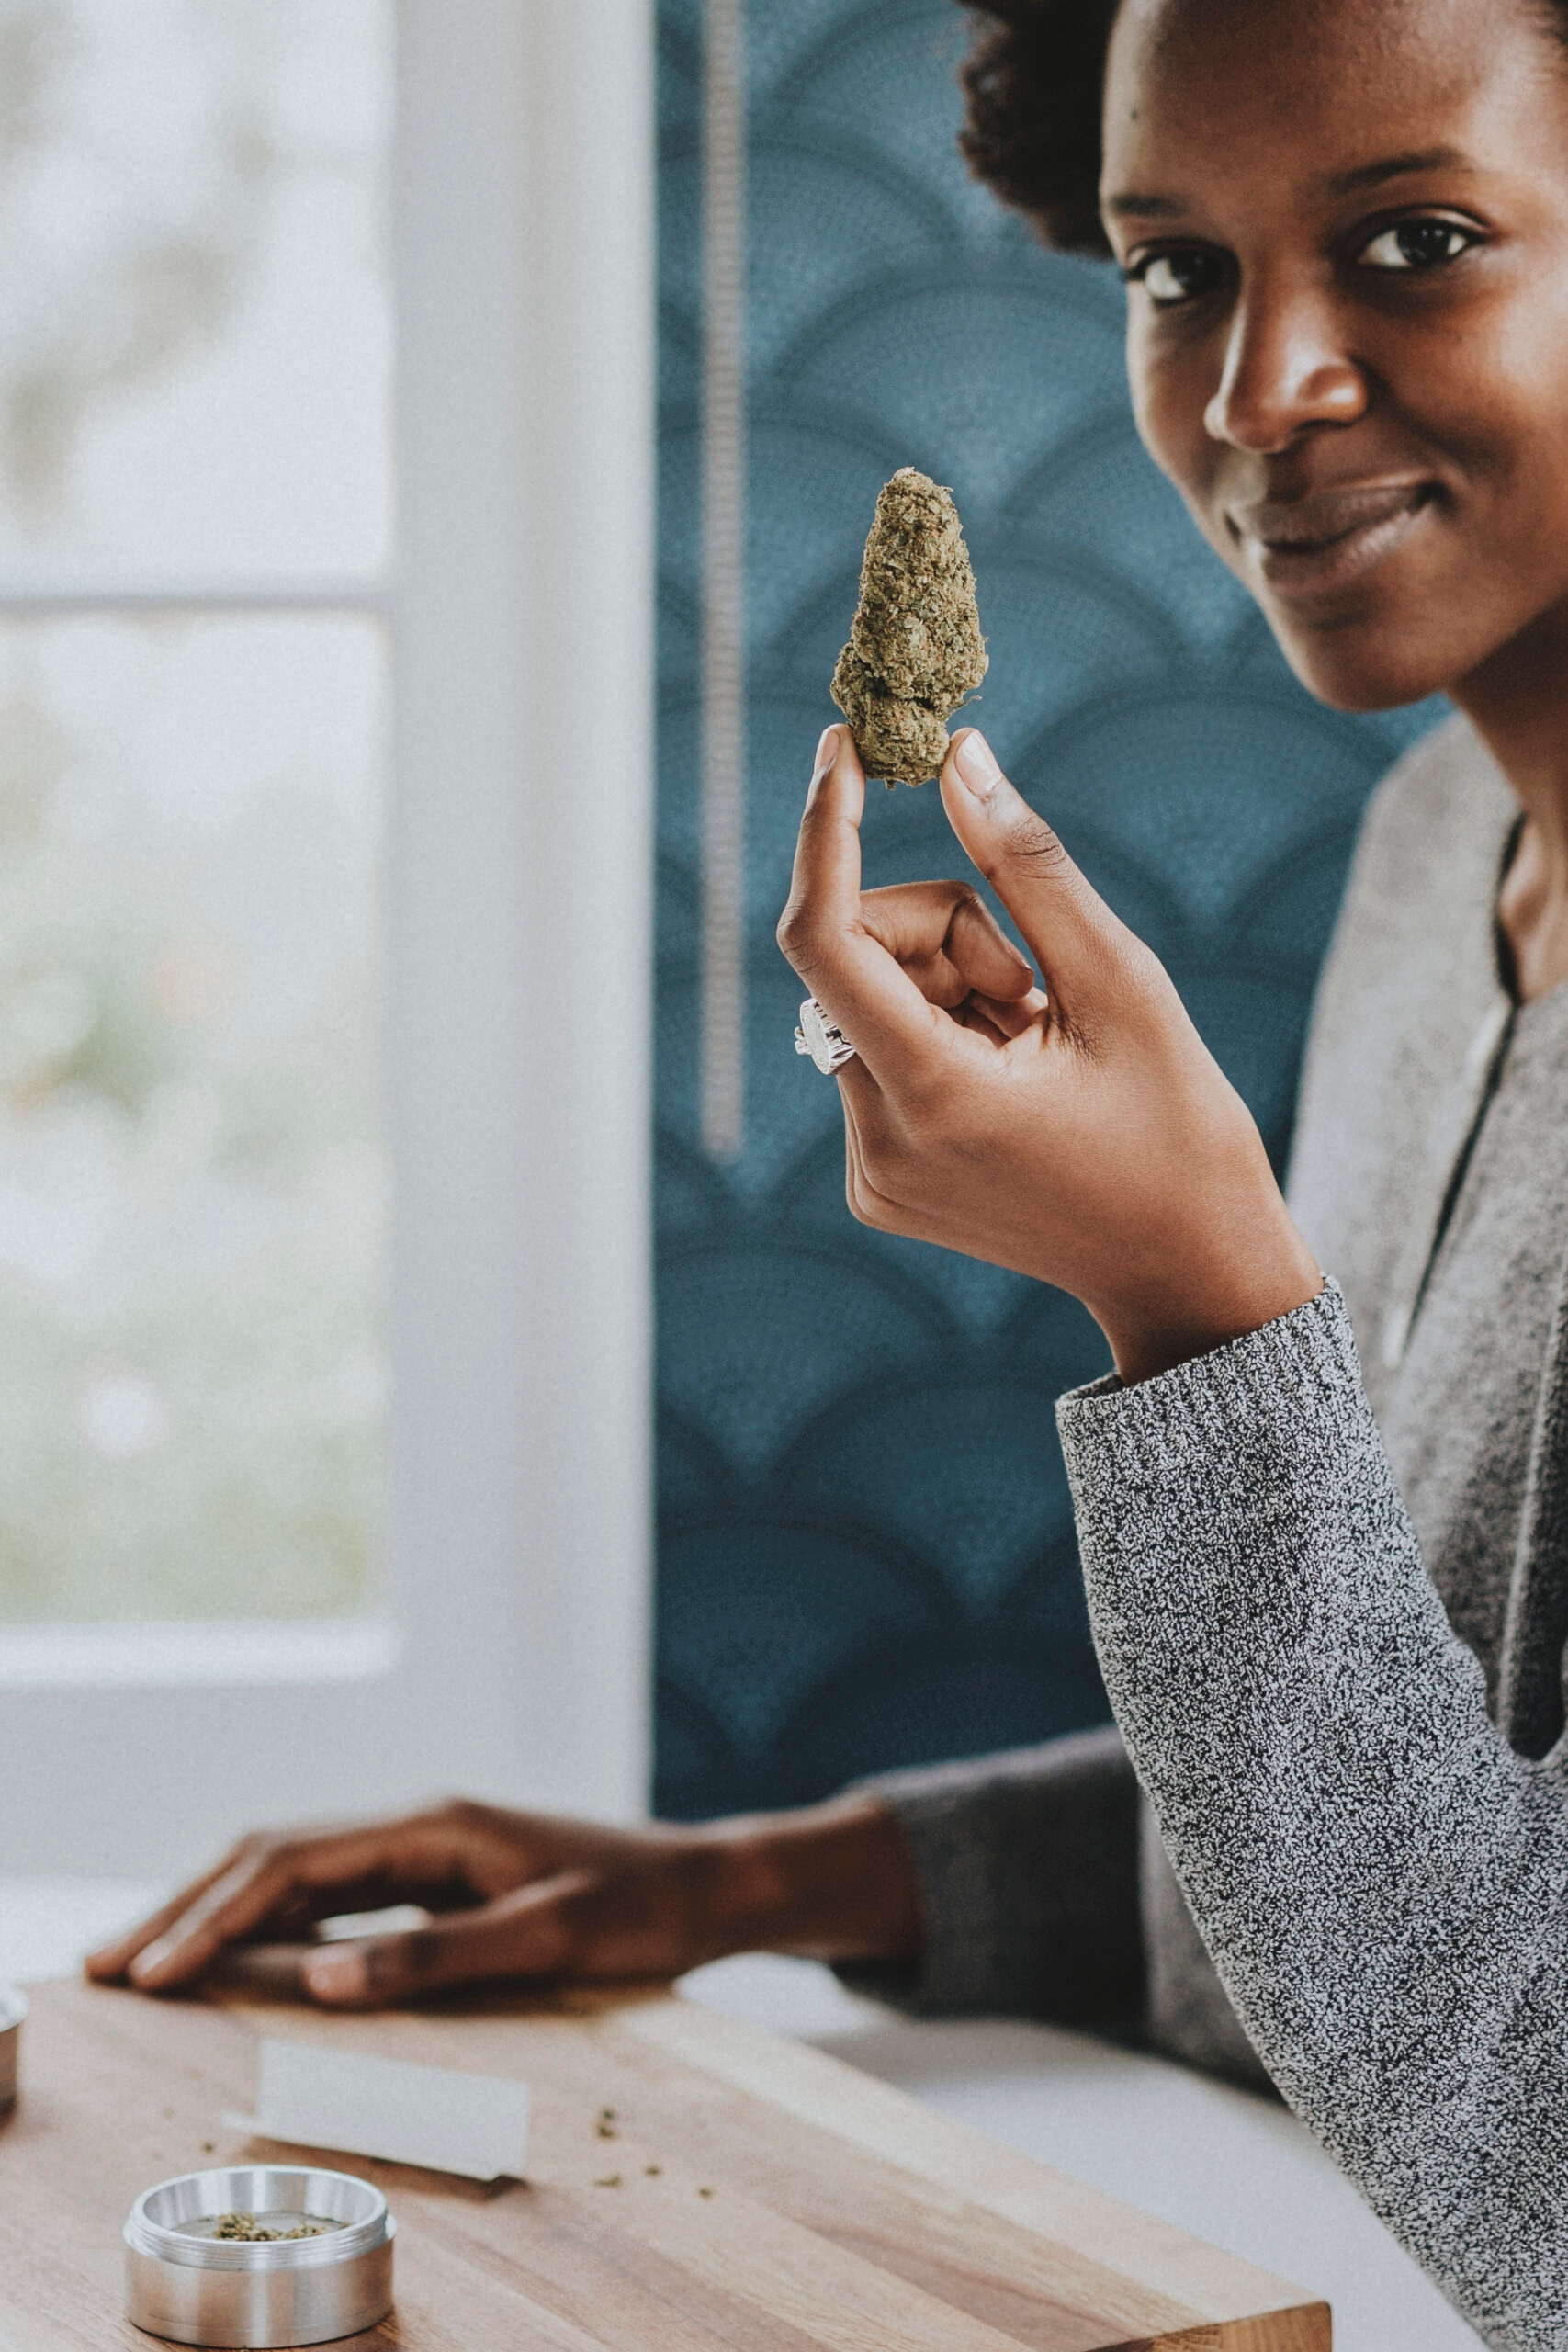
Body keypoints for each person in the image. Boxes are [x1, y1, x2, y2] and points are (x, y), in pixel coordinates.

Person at [89, 0, 1568, 2335]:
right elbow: (1426, 1763)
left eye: (1412, 238)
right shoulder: (1433, 860)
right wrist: (722, 1884)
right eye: (1170, 266)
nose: (1254, 383)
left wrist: (1194, 1315)